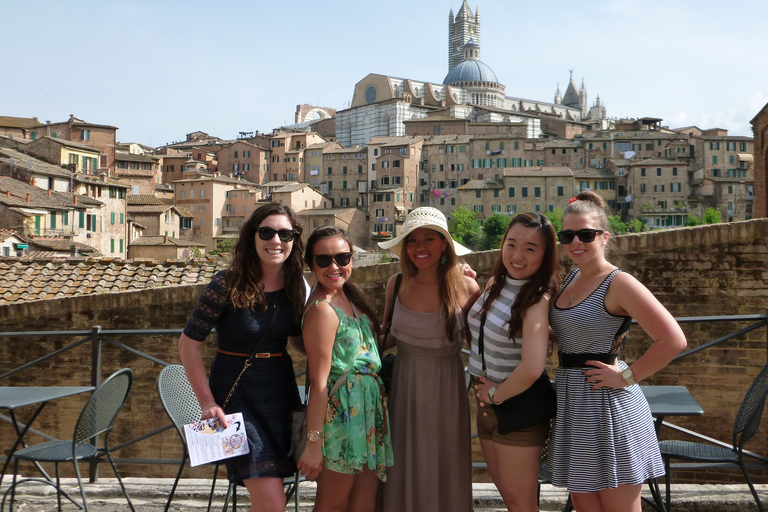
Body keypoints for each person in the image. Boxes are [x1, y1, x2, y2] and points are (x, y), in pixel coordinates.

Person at [548, 191, 687, 512]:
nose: (575, 242)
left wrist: (628, 375)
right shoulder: (571, 278)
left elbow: (673, 340)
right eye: (567, 235)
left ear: (604, 236)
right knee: (585, 505)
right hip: (575, 405)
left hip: (607, 405)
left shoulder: (619, 282)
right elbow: (570, 337)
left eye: (585, 234)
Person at [178, 203, 307, 512]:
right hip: (236, 399)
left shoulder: (297, 287)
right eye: (267, 232)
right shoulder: (226, 283)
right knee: (273, 504)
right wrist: (207, 402)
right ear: (253, 236)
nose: (276, 241)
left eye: (285, 234)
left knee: (272, 500)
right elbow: (188, 345)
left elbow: (298, 341)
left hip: (280, 394)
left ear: (294, 240)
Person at [378, 207, 481, 512]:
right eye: (412, 240)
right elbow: (388, 337)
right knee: (403, 463)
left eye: (429, 239)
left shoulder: (466, 286)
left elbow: (482, 346)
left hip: (446, 392)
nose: (419, 247)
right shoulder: (395, 285)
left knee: (445, 463)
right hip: (403, 390)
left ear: (444, 245)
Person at [468, 213, 559, 512]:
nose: (518, 255)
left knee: (522, 505)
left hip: (516, 410)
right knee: (511, 500)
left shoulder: (536, 299)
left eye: (531, 248)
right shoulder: (497, 283)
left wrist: (495, 394)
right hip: (487, 407)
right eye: (511, 244)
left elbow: (533, 368)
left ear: (545, 255)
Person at [298, 226, 393, 512]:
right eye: (323, 260)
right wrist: (314, 444)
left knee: (363, 504)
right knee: (333, 504)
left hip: (367, 415)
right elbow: (319, 382)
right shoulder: (322, 310)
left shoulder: (353, 299)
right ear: (311, 264)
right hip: (339, 419)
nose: (334, 265)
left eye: (342, 256)